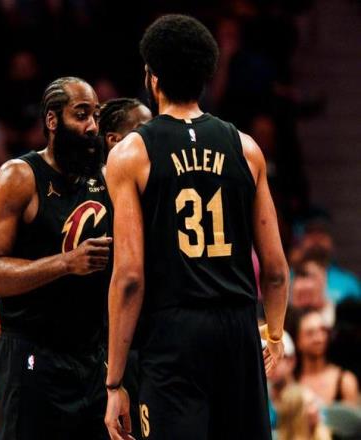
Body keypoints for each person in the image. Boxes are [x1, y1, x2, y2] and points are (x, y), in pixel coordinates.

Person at [105, 14, 289, 440]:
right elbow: (276, 268)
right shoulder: (246, 148)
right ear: (207, 75)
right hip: (238, 328)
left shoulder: (131, 154)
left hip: (174, 332)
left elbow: (129, 277)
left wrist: (114, 382)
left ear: (152, 77)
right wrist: (275, 334)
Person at [0, 76, 113, 440]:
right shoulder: (18, 177)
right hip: (31, 355)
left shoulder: (103, 180)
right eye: (80, 115)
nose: (92, 126)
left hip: (91, 358)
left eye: (96, 116)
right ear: (52, 120)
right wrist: (66, 263)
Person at [99, 98, 152, 439]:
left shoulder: (152, 188)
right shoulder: (91, 200)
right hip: (112, 347)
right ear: (114, 141)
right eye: (143, 131)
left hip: (152, 341)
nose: (152, 139)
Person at [289, 308, 359, 406]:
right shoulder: (290, 381)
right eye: (310, 333)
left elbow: (352, 416)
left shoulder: (345, 381)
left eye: (323, 331)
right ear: (297, 341)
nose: (319, 338)